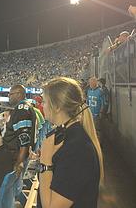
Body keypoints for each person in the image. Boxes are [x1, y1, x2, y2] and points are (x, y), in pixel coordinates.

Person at [38, 77, 103, 207]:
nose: (42, 106)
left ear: (56, 107)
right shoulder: (68, 135)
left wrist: (45, 162)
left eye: (44, 102)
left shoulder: (77, 148)